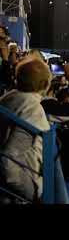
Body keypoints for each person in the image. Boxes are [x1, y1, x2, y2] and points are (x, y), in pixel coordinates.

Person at [0, 58, 52, 203]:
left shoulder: (8, 98)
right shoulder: (32, 108)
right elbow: (9, 160)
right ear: (44, 84)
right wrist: (33, 192)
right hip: (15, 195)